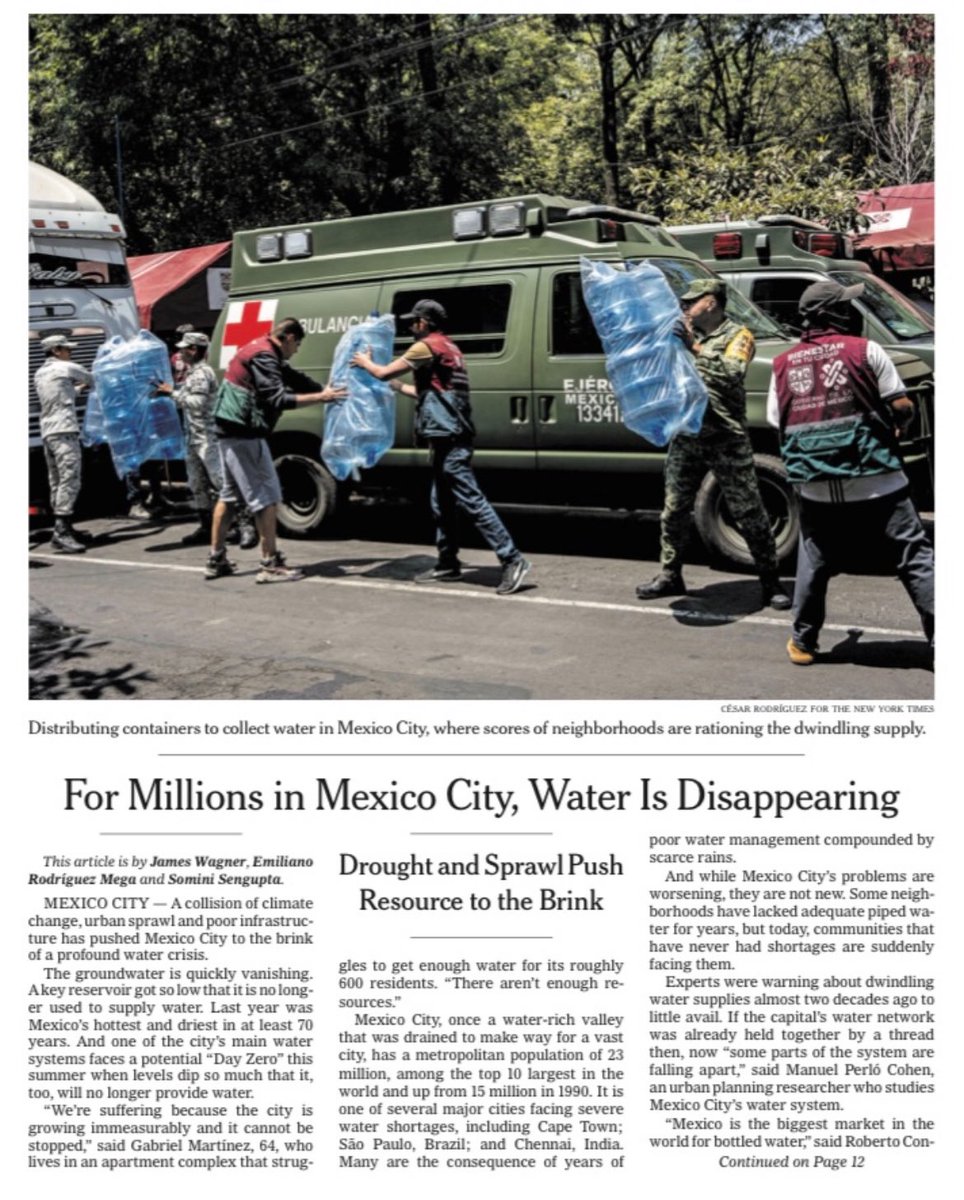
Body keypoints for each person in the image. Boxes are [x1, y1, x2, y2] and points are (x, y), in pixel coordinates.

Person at [768, 279, 934, 665]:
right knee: (914, 557)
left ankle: (803, 643)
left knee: (814, 560)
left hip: (816, 487)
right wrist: (899, 427)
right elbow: (903, 406)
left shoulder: (781, 365)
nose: (851, 311)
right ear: (835, 314)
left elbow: (778, 419)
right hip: (877, 479)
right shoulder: (867, 351)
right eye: (845, 305)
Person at [351, 299, 531, 595]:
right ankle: (448, 563)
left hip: (448, 436)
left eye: (414, 321)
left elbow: (383, 372)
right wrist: (396, 388)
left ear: (424, 322)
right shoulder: (450, 347)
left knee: (471, 501)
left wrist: (365, 363)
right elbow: (429, 391)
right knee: (442, 503)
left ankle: (513, 559)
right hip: (448, 434)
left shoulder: (426, 346)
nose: (410, 326)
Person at [636, 279, 790, 610]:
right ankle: (670, 574)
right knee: (674, 509)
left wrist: (693, 347)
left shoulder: (739, 335)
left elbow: (731, 372)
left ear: (712, 302)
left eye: (692, 301)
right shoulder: (680, 333)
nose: (685, 307)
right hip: (687, 432)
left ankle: (770, 580)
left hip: (725, 435)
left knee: (748, 510)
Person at [206, 317, 345, 583]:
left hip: (229, 433)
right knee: (267, 498)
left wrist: (322, 389)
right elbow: (277, 397)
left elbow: (291, 376)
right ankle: (269, 565)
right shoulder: (265, 356)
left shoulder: (262, 350)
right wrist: (322, 398)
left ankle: (216, 559)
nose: (297, 350)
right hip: (245, 435)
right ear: (290, 337)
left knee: (230, 496)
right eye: (298, 344)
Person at [155, 331, 222, 546]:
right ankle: (206, 526)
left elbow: (197, 403)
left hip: (207, 437)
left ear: (193, 349)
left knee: (220, 481)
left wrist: (172, 394)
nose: (180, 352)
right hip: (194, 437)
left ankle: (241, 525)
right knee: (196, 484)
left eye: (183, 348)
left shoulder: (202, 373)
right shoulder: (193, 373)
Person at [34, 334, 93, 553]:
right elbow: (93, 378)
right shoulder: (65, 368)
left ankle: (63, 527)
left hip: (49, 432)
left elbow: (61, 394)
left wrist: (78, 389)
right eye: (67, 349)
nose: (71, 352)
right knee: (70, 479)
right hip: (65, 430)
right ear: (57, 351)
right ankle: (62, 531)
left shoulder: (41, 373)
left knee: (57, 481)